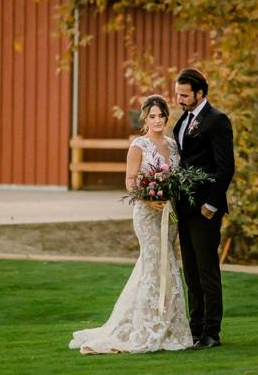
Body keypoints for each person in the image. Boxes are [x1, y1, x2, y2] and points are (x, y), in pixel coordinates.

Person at [68, 95, 193, 354]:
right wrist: (148, 199)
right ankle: (147, 326)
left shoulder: (172, 145)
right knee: (154, 263)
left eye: (161, 116)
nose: (157, 120)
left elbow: (177, 177)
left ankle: (167, 324)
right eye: (152, 116)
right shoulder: (139, 145)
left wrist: (168, 195)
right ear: (144, 119)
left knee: (167, 262)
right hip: (146, 215)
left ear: (166, 118)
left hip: (169, 215)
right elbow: (130, 180)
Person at [172, 68, 235, 349]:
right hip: (184, 208)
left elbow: (225, 167)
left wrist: (211, 205)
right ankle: (195, 331)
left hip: (205, 210)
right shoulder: (182, 122)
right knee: (191, 273)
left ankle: (212, 333)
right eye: (177, 94)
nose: (179, 99)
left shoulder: (217, 121)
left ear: (200, 93)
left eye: (184, 95)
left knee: (207, 270)